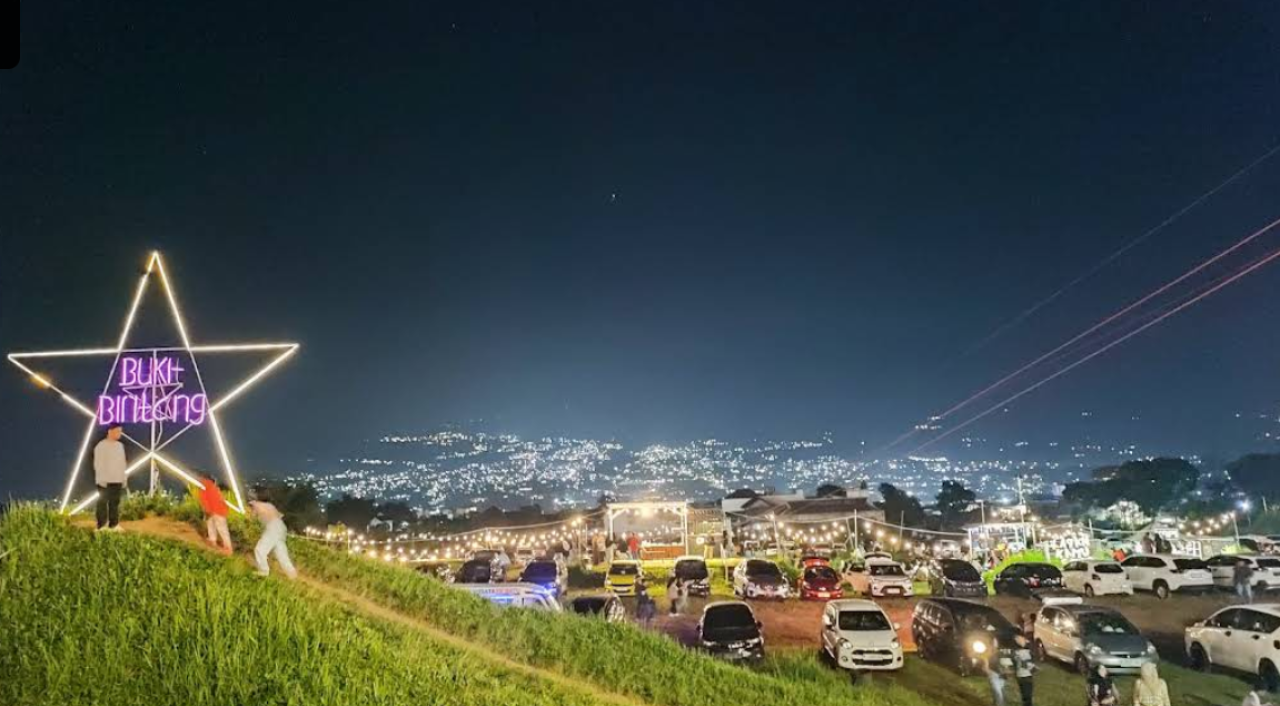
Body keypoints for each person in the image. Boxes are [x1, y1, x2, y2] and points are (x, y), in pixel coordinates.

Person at [250, 494, 297, 579]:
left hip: (273, 527)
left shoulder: (257, 504)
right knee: (281, 554)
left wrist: (252, 507)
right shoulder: (270, 506)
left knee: (260, 549)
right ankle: (292, 574)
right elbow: (279, 516)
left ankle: (263, 571)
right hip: (281, 527)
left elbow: (252, 517)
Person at [93, 424, 127, 531]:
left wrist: (124, 477)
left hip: (117, 479)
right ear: (110, 431)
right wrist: (101, 479)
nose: (119, 434)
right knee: (102, 502)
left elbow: (123, 462)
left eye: (120, 431)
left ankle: (114, 524)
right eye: (117, 431)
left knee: (114, 503)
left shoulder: (120, 446)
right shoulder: (101, 446)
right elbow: (98, 463)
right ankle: (101, 525)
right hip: (105, 480)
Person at [199, 474, 232, 554]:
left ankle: (228, 548)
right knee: (216, 526)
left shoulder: (203, 488)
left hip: (215, 511)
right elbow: (220, 500)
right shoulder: (214, 488)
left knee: (218, 527)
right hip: (219, 510)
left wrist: (207, 512)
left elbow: (204, 501)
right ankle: (215, 541)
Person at [1012, 634, 1035, 706]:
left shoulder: (1026, 649)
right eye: (1017, 640)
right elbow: (1023, 663)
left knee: (1026, 695)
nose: (1018, 641)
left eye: (1020, 639)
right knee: (1026, 696)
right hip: (1023, 675)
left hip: (1023, 675)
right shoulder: (1019, 651)